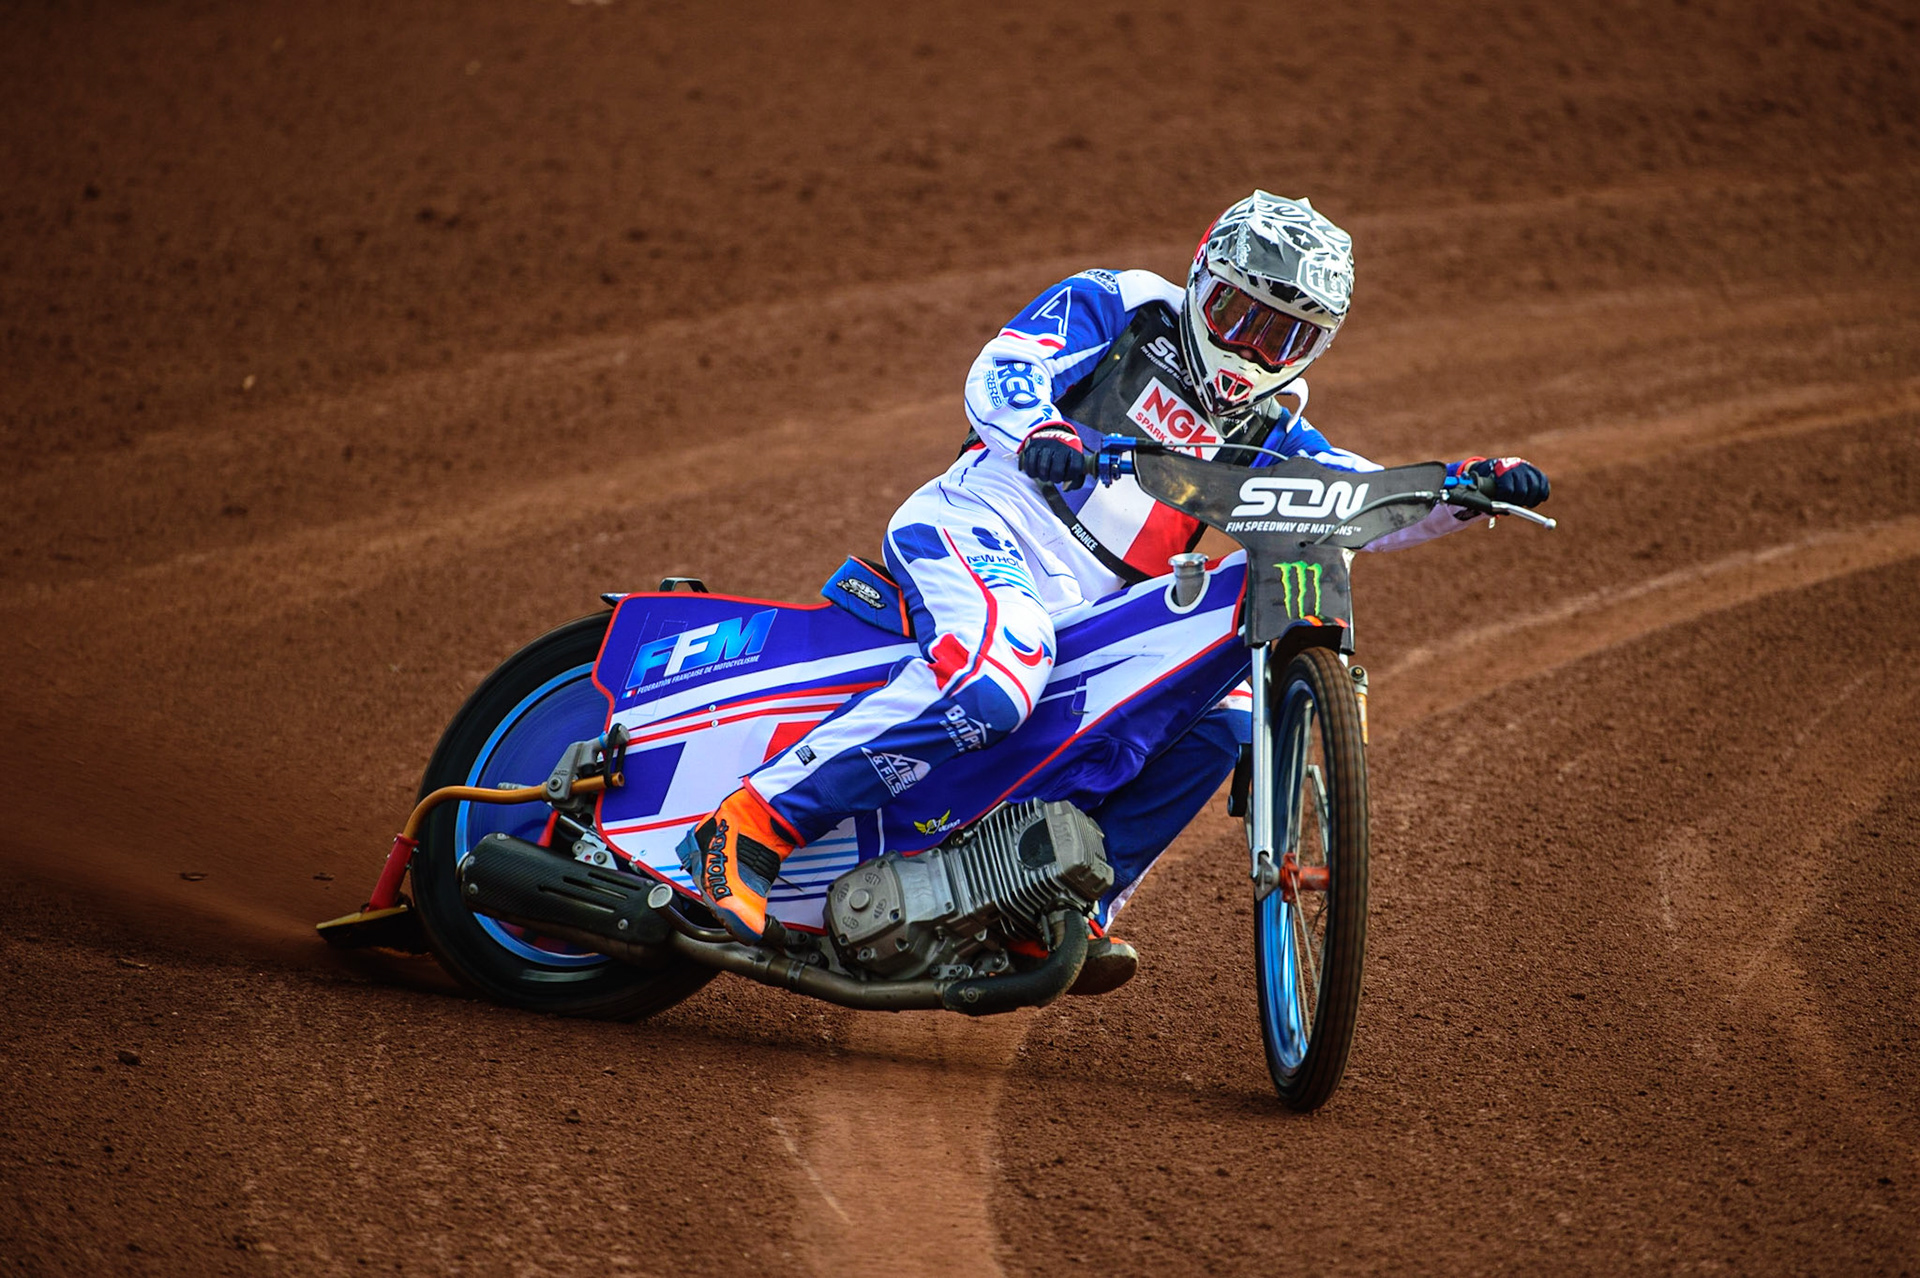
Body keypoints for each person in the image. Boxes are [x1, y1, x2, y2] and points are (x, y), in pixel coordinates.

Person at [679, 191, 1551, 979]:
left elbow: (1354, 498)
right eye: (1239, 313)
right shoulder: (1126, 305)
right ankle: (753, 823)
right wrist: (1039, 431)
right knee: (996, 683)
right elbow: (1006, 363)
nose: (1252, 347)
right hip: (990, 525)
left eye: (1283, 334)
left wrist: (1463, 488)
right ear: (1202, 278)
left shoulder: (1271, 426)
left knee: (1221, 723)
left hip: (1095, 600)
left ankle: (1062, 903)